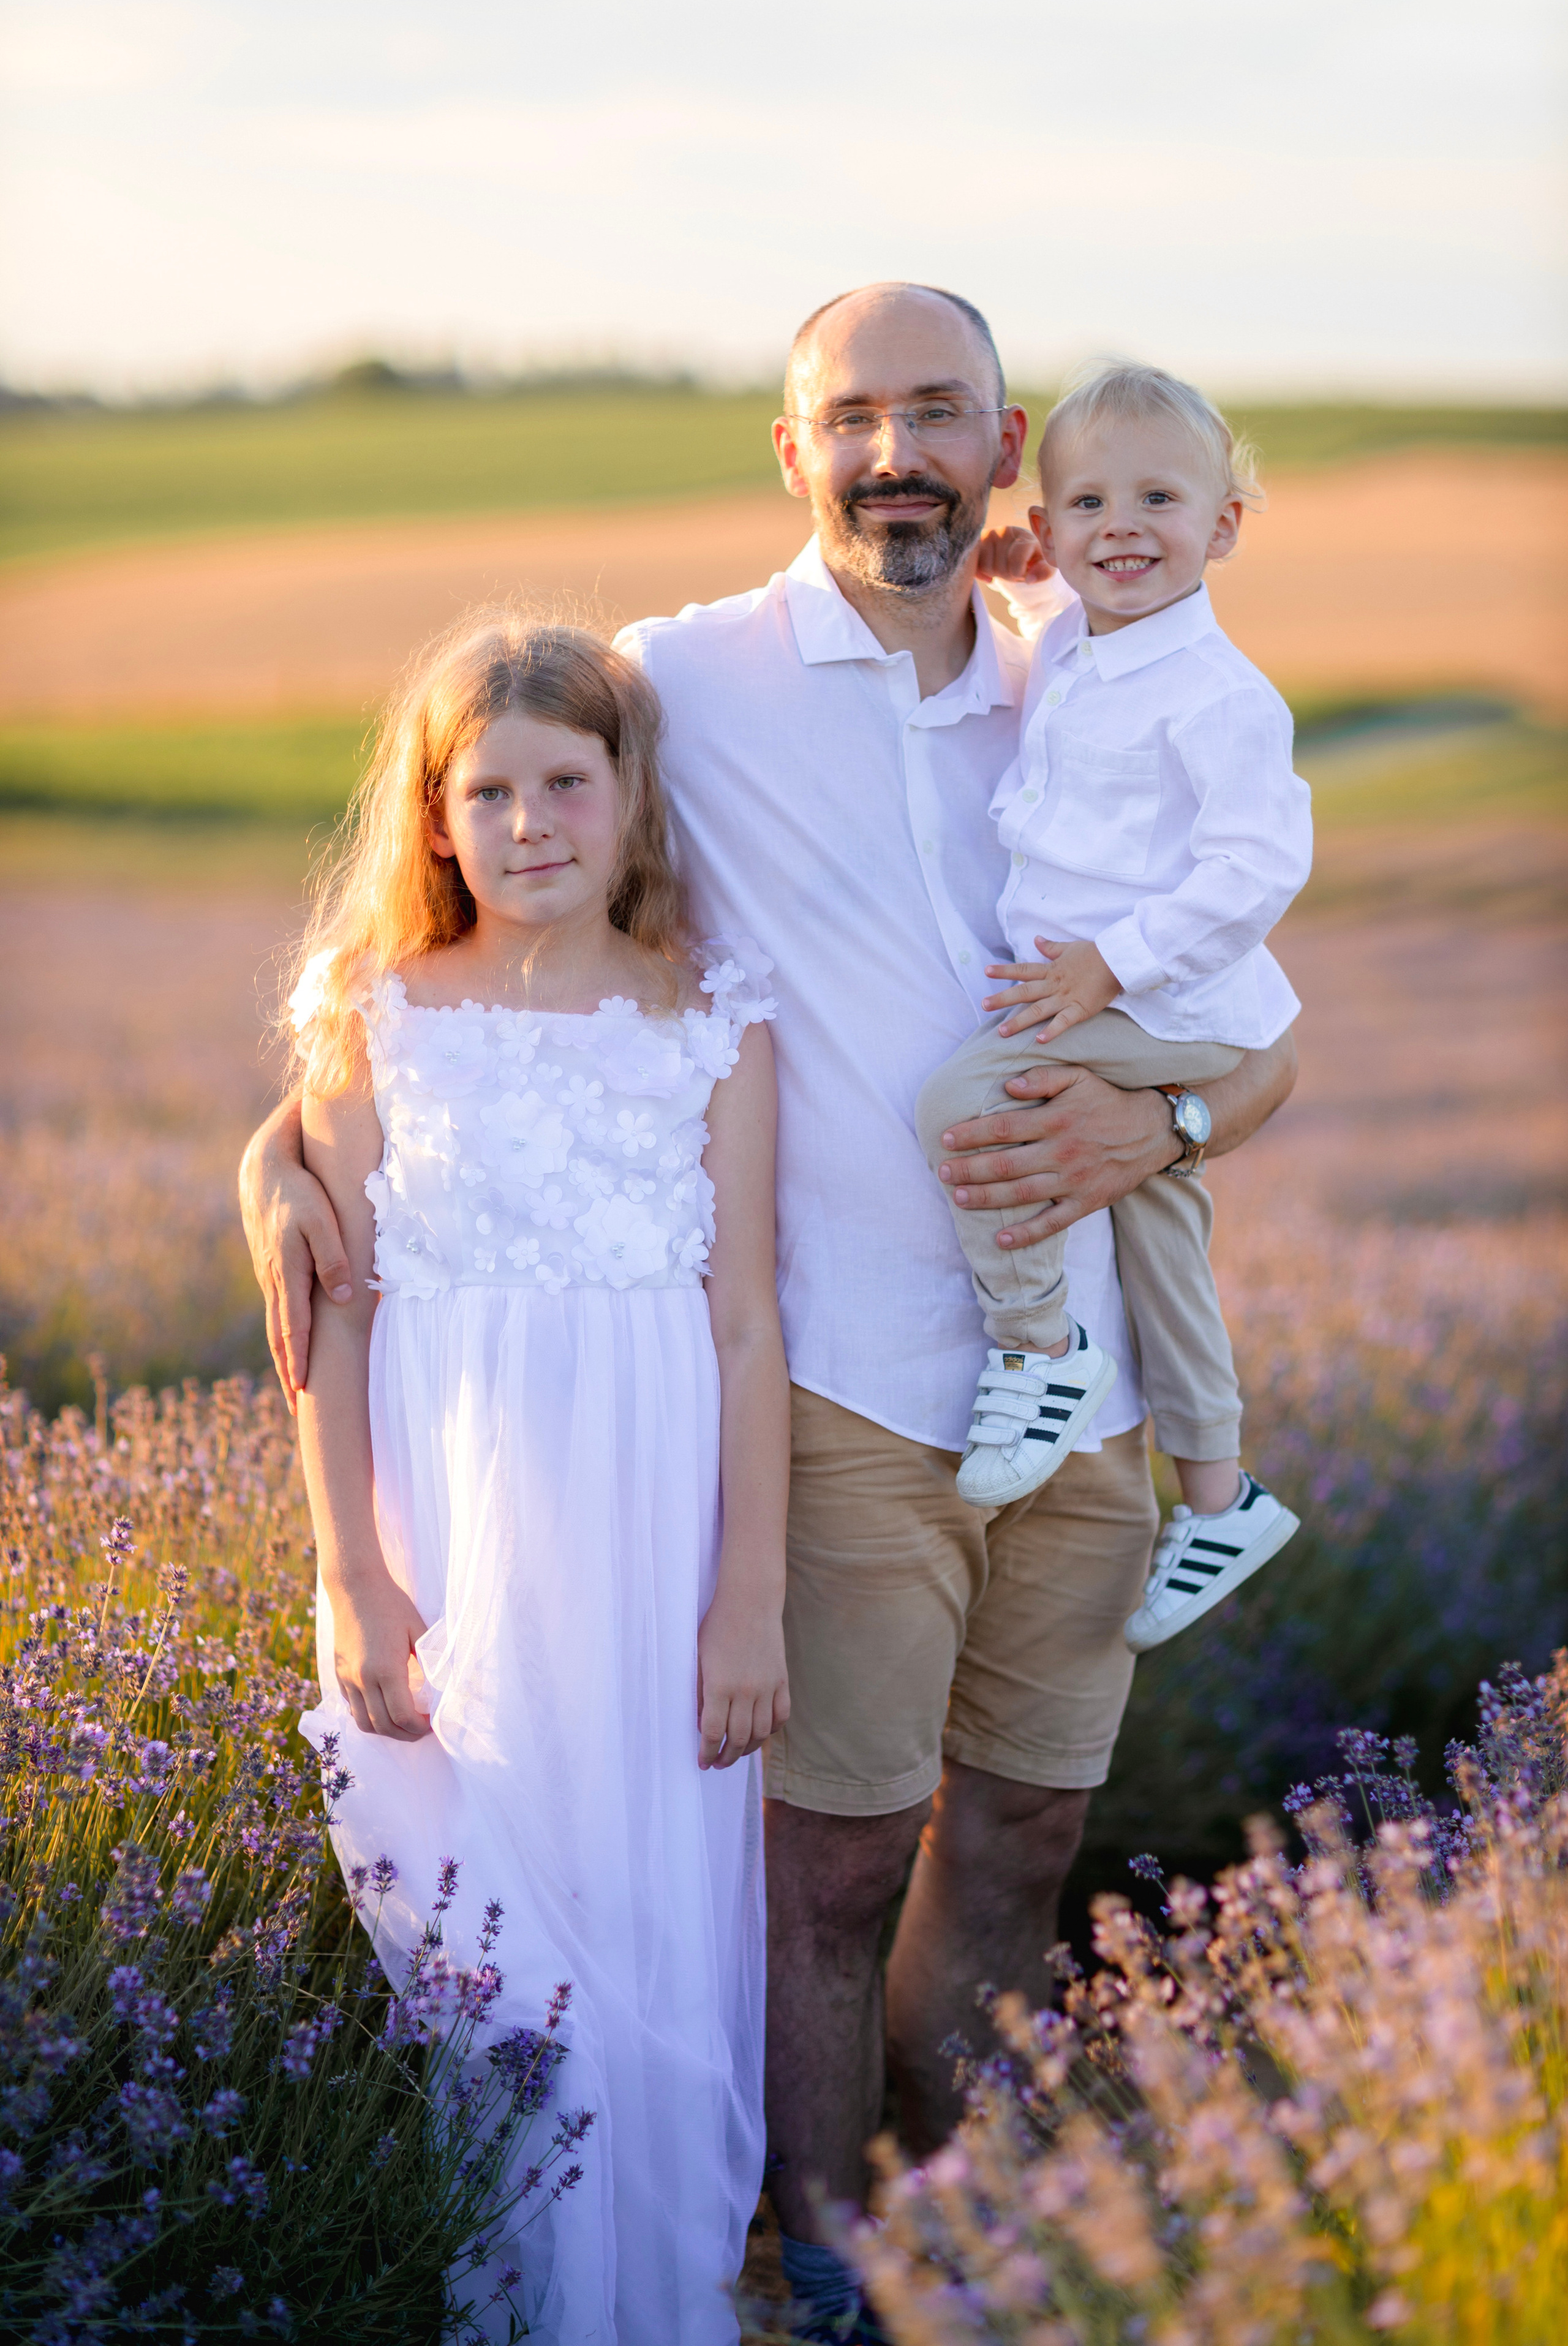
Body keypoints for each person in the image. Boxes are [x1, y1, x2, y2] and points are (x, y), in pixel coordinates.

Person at [241, 283, 1297, 2346]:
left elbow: (1267, 1045)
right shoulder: (683, 683)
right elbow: (456, 915)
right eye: (856, 414)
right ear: (794, 450)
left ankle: (952, 2216)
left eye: (943, 417)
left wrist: (1160, 1115)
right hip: (834, 1388)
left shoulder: (1100, 676)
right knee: (822, 1873)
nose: (897, 451)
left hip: (1072, 1385)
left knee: (1027, 1833)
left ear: (1008, 455)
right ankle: (818, 2260)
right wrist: (271, 1152)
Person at [286, 613, 788, 2343]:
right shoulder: (378, 1016)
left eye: (567, 780)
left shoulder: (711, 1018)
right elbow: (333, 1330)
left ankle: (656, 2302)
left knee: (646, 1922)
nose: (530, 822)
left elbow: (744, 1328)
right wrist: (356, 1572)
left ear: (632, 796)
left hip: (657, 1527)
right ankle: (518, 2304)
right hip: (452, 1513)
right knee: (495, 1933)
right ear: (434, 817)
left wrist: (750, 1600)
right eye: (485, 789)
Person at [914, 360, 1311, 1651]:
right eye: (1084, 503)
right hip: (1146, 998)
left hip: (1177, 999)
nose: (1118, 527)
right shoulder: (1086, 629)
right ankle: (1217, 1492)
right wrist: (1013, 570)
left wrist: (1111, 964)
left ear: (1225, 526)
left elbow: (1256, 867)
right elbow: (1062, 590)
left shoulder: (1220, 695)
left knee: (967, 1096)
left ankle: (1036, 1347)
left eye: (1157, 498)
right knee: (1158, 1240)